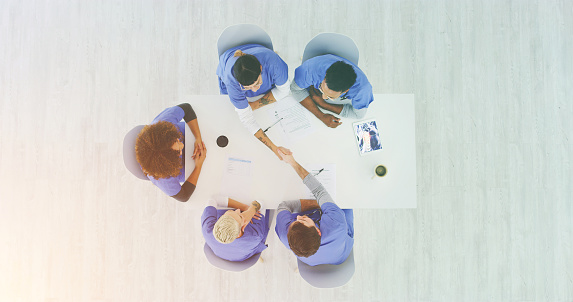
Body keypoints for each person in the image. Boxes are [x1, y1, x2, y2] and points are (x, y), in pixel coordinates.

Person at [274, 150, 354, 266]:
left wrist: (309, 206)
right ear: (318, 231)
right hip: (339, 256)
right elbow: (318, 191)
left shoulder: (284, 235)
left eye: (296, 221)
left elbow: (283, 206)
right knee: (346, 202)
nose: (299, 217)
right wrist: (293, 162)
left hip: (311, 261)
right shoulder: (337, 224)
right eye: (304, 220)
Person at [216, 44, 291, 159]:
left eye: (257, 83)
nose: (255, 89)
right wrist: (274, 148)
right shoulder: (231, 82)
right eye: (247, 87)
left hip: (261, 53)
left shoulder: (274, 64)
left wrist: (254, 105)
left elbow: (284, 91)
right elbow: (247, 120)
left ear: (261, 69)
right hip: (228, 63)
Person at [135, 103, 206, 202]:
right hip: (190, 168)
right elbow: (184, 196)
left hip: (192, 135)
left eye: (177, 140)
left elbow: (186, 108)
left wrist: (197, 137)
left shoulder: (163, 123)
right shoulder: (162, 179)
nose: (182, 145)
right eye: (179, 152)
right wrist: (198, 166)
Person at [290, 54, 374, 128]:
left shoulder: (363, 91)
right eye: (321, 88)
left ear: (345, 91)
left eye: (331, 97)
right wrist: (321, 115)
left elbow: (358, 115)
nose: (323, 97)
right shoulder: (310, 70)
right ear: (325, 76)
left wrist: (322, 104)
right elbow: (295, 89)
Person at [202, 196, 268, 261]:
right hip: (243, 256)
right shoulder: (255, 235)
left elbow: (212, 200)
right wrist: (251, 210)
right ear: (242, 228)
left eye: (230, 211)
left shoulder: (207, 229)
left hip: (221, 253)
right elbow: (261, 202)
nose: (238, 210)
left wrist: (244, 207)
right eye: (240, 216)